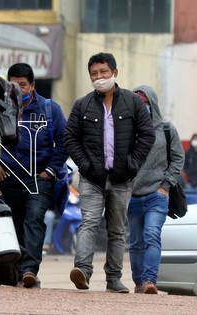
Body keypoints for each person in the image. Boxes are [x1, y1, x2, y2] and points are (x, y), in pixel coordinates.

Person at [63, 52, 155, 293]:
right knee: (89, 222)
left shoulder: (133, 103)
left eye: (103, 72)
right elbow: (70, 138)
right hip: (92, 178)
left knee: (117, 229)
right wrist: (85, 164)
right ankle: (82, 270)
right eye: (94, 74)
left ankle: (114, 278)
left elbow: (147, 135)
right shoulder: (82, 105)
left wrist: (132, 164)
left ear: (115, 73)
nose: (99, 77)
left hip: (122, 178)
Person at [0, 62, 68, 288]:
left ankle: (29, 270)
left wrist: (50, 170)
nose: (18, 89)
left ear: (32, 85)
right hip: (8, 178)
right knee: (12, 224)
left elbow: (65, 142)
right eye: (13, 84)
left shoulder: (50, 109)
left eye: (23, 85)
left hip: (38, 177)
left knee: (35, 220)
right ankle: (15, 270)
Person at [128, 85, 185, 294]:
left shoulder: (167, 129)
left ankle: (149, 280)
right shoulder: (127, 131)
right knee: (135, 242)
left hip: (157, 195)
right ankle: (138, 282)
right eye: (137, 105)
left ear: (152, 104)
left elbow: (178, 158)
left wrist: (166, 185)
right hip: (132, 196)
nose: (141, 108)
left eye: (144, 104)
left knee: (152, 235)